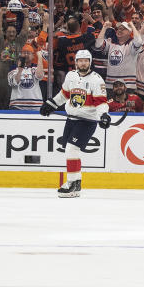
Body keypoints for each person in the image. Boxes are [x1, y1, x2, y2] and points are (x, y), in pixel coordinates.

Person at [39, 50, 111, 198]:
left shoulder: (97, 80)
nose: (83, 63)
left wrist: (104, 115)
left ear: (90, 62)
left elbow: (101, 102)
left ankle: (71, 183)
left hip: (87, 121)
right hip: (71, 119)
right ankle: (76, 183)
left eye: (86, 60)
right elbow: (64, 95)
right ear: (76, 62)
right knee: (71, 151)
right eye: (80, 60)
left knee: (72, 149)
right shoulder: (71, 76)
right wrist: (51, 104)